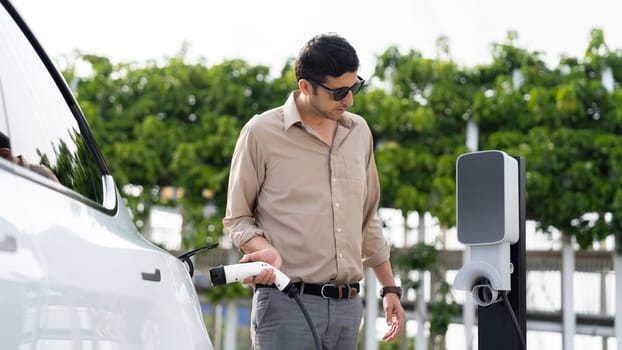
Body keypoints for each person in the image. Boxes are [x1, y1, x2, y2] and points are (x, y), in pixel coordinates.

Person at [223, 33, 405, 349]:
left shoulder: (359, 132)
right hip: (287, 304)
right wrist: (262, 247)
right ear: (306, 86)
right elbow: (237, 217)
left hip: (348, 309)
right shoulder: (261, 133)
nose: (349, 100)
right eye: (339, 92)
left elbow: (367, 217)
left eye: (355, 87)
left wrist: (390, 288)